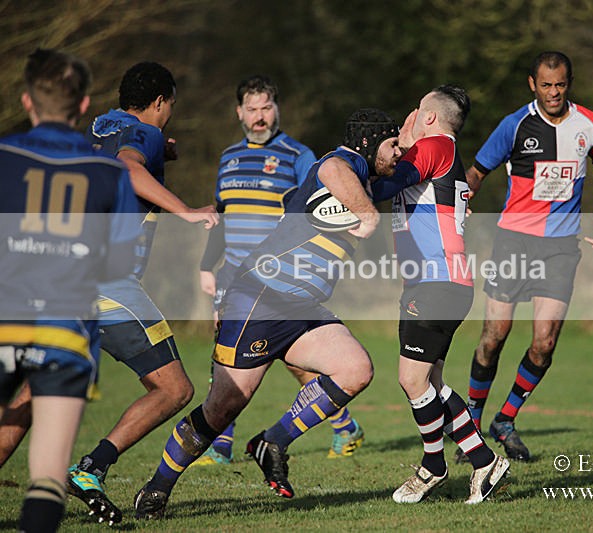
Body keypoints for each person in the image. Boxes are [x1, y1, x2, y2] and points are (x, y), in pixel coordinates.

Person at [133, 108, 403, 519]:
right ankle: (156, 489)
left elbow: (415, 157)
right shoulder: (341, 163)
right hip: (260, 299)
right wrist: (367, 215)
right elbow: (331, 167)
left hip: (302, 308)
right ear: (368, 142)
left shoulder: (367, 179)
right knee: (221, 409)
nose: (398, 151)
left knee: (356, 369)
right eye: (392, 143)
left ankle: (272, 442)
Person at [65, 61, 220, 523]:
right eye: (170, 104)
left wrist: (156, 154)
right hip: (109, 284)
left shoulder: (99, 127)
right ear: (159, 102)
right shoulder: (146, 137)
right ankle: (90, 469)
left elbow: (116, 157)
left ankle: (89, 469)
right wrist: (186, 210)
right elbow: (129, 169)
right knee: (175, 389)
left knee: (30, 397)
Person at [0, 48, 140, 532]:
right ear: (83, 108)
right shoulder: (108, 173)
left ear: (27, 101)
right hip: (66, 335)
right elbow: (121, 262)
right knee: (45, 482)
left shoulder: (5, 158)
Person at [196, 75, 365, 465]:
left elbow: (325, 204)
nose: (260, 116)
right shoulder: (228, 157)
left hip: (280, 279)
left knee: (293, 362)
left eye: (266, 107)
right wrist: (208, 266)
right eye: (252, 109)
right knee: (226, 359)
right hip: (234, 279)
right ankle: (221, 446)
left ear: (278, 108)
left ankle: (344, 426)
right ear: (239, 112)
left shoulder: (298, 155)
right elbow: (223, 216)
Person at [461, 51, 593, 462]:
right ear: (533, 84)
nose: (553, 92)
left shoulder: (591, 124)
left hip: (562, 247)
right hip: (513, 242)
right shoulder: (514, 126)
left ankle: (505, 419)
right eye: (546, 85)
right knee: (494, 336)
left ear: (570, 82)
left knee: (545, 342)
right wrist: (459, 202)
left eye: (560, 85)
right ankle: (472, 422)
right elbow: (477, 171)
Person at [370, 86, 510, 504]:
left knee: (411, 379)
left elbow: (380, 188)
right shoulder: (440, 150)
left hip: (438, 283)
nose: (409, 115)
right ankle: (481, 462)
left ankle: (437, 466)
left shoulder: (433, 146)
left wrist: (350, 169)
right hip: (434, 283)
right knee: (431, 382)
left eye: (417, 109)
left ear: (429, 118)